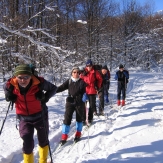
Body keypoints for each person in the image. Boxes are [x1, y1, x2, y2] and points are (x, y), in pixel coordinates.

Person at [3, 64, 57, 163]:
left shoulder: (39, 82)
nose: (23, 80)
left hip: (40, 116)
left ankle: (43, 161)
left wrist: (45, 97)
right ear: (16, 77)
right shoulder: (11, 84)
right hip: (24, 119)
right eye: (20, 77)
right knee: (27, 144)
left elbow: (54, 88)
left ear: (31, 76)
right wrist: (8, 95)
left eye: (26, 77)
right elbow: (5, 88)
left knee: (43, 140)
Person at [56, 67, 86, 144]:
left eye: (77, 72)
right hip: (70, 101)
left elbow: (85, 91)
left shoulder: (82, 82)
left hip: (79, 102)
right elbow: (61, 87)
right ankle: (64, 134)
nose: (76, 74)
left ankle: (78, 133)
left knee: (79, 118)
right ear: (72, 73)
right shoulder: (69, 81)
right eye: (74, 72)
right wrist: (53, 90)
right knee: (67, 117)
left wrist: (85, 95)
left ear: (79, 73)